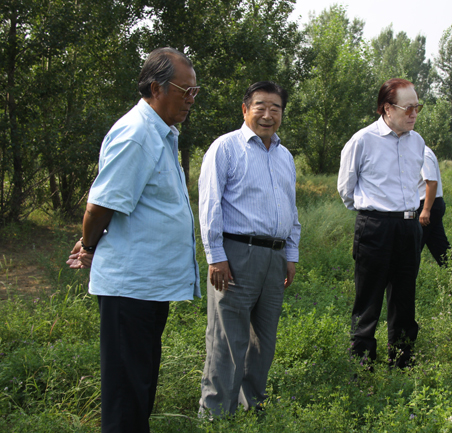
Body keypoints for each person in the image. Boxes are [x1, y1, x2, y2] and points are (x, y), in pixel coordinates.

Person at [66, 47, 201, 432]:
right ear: (156, 87)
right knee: (127, 395)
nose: (191, 100)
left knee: (138, 384)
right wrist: (88, 245)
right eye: (184, 91)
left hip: (147, 286)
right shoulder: (137, 133)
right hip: (130, 288)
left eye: (195, 92)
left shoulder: (161, 132)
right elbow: (100, 206)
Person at [198, 81, 301, 417]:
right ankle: (216, 414)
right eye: (261, 106)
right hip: (236, 254)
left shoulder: (285, 156)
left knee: (263, 341)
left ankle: (252, 407)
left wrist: (290, 255)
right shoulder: (226, 148)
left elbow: (291, 209)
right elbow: (210, 205)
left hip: (274, 257)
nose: (268, 115)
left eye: (276, 108)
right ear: (245, 109)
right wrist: (216, 257)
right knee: (227, 340)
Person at [337, 78, 425, 369]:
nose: (413, 113)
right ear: (387, 108)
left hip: (409, 228)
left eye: (417, 107)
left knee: (404, 300)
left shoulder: (418, 142)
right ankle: (362, 367)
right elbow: (346, 189)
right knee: (368, 302)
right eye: (408, 107)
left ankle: (401, 364)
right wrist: (373, 213)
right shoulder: (363, 140)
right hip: (375, 228)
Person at [418, 146, 452, 267]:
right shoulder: (418, 151)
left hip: (427, 205)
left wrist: (426, 210)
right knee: (440, 246)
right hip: (429, 204)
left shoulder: (423, 154)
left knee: (411, 248)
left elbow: (432, 182)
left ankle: (403, 280)